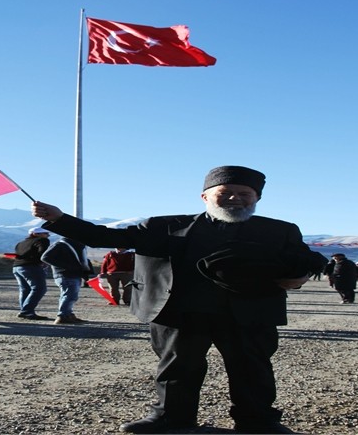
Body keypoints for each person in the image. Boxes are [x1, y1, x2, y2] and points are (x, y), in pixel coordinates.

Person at [32, 165, 327, 434]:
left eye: (244, 194)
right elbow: (105, 237)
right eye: (225, 193)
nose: (236, 199)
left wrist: (301, 276)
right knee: (176, 367)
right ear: (205, 197)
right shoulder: (164, 226)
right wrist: (58, 219)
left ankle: (259, 421)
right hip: (181, 311)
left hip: (249, 312)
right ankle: (170, 418)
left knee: (253, 368)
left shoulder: (279, 230)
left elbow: (307, 259)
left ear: (256, 198)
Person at [41, 237, 92, 324]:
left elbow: (81, 261)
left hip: (73, 274)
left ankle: (68, 314)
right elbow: (45, 257)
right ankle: (63, 316)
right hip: (65, 274)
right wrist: (66, 266)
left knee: (69, 295)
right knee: (69, 296)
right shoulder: (60, 244)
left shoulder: (77, 246)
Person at [11, 227, 51, 320]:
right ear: (36, 234)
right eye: (45, 233)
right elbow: (43, 253)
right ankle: (26, 311)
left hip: (17, 267)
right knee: (40, 289)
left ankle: (25, 311)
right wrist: (44, 262)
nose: (47, 236)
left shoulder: (20, 243)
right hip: (31, 267)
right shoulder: (42, 240)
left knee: (25, 289)